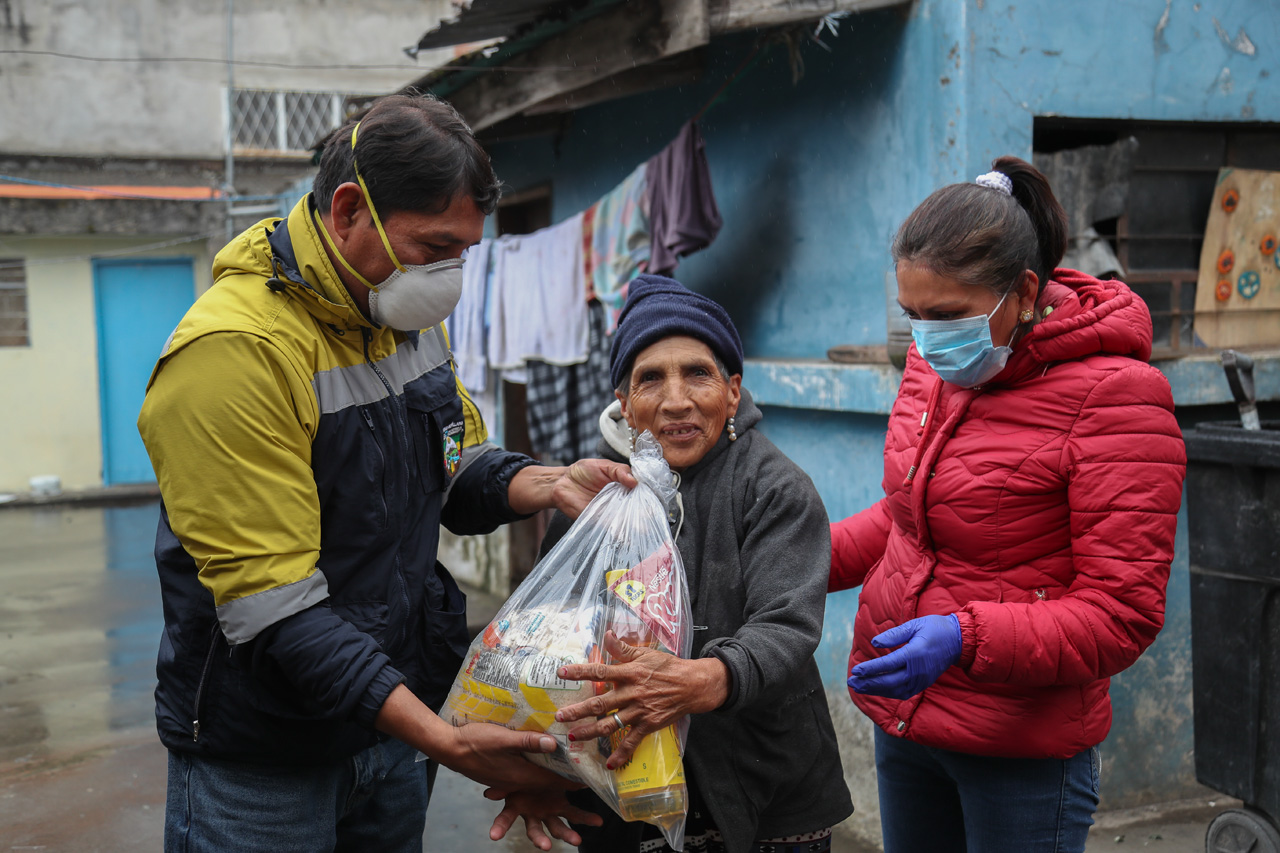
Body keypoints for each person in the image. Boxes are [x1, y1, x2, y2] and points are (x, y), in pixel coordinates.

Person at [137, 94, 628, 852]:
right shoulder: (234, 353)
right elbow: (276, 611)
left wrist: (546, 481)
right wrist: (448, 739)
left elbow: (453, 460)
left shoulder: (399, 311)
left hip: (389, 731)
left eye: (463, 253)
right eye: (435, 248)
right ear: (346, 213)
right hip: (266, 759)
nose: (449, 277)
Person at [828, 157, 1187, 852]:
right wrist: (795, 559)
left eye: (946, 316)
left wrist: (966, 637)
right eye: (912, 316)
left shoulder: (1116, 398)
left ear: (1023, 293)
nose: (926, 338)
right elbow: (909, 523)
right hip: (906, 721)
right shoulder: (937, 367)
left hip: (1021, 749)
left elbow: (1123, 611)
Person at [500, 274, 853, 853]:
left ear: (733, 390)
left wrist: (706, 678)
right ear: (624, 402)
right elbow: (547, 647)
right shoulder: (592, 500)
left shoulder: (774, 488)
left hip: (763, 787)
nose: (676, 400)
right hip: (619, 790)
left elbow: (786, 627)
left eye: (698, 373)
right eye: (650, 379)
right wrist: (540, 769)